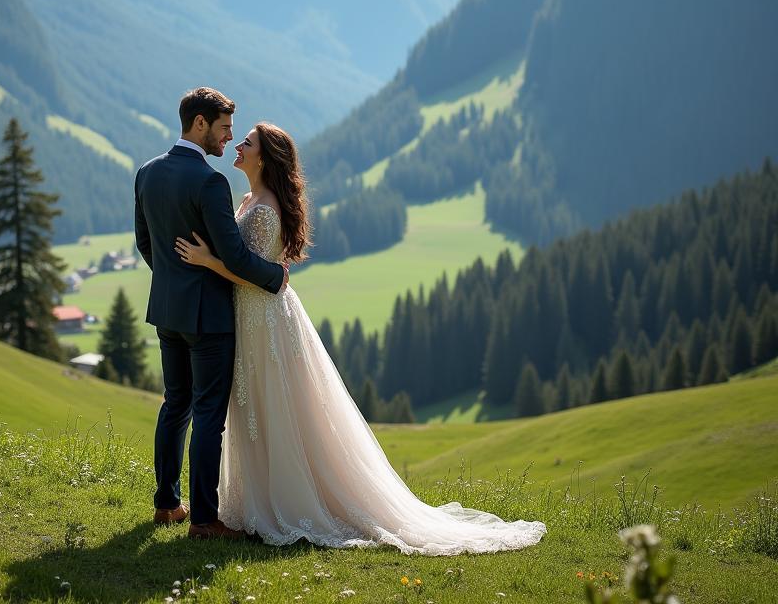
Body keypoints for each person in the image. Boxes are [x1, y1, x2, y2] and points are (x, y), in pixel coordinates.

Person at [175, 122, 547, 555]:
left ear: (265, 157)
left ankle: (282, 504)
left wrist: (206, 260)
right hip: (258, 315)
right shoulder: (251, 201)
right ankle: (258, 500)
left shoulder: (261, 209)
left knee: (272, 406)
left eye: (248, 142)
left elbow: (250, 273)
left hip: (263, 317)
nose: (238, 145)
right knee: (260, 406)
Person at [134, 87, 289, 541]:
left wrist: (173, 281)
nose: (227, 140)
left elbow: (147, 244)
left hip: (167, 310)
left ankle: (167, 505)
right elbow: (236, 256)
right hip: (210, 320)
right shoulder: (209, 182)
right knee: (207, 415)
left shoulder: (147, 172)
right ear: (199, 123)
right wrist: (276, 277)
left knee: (174, 403)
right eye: (223, 130)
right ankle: (203, 519)